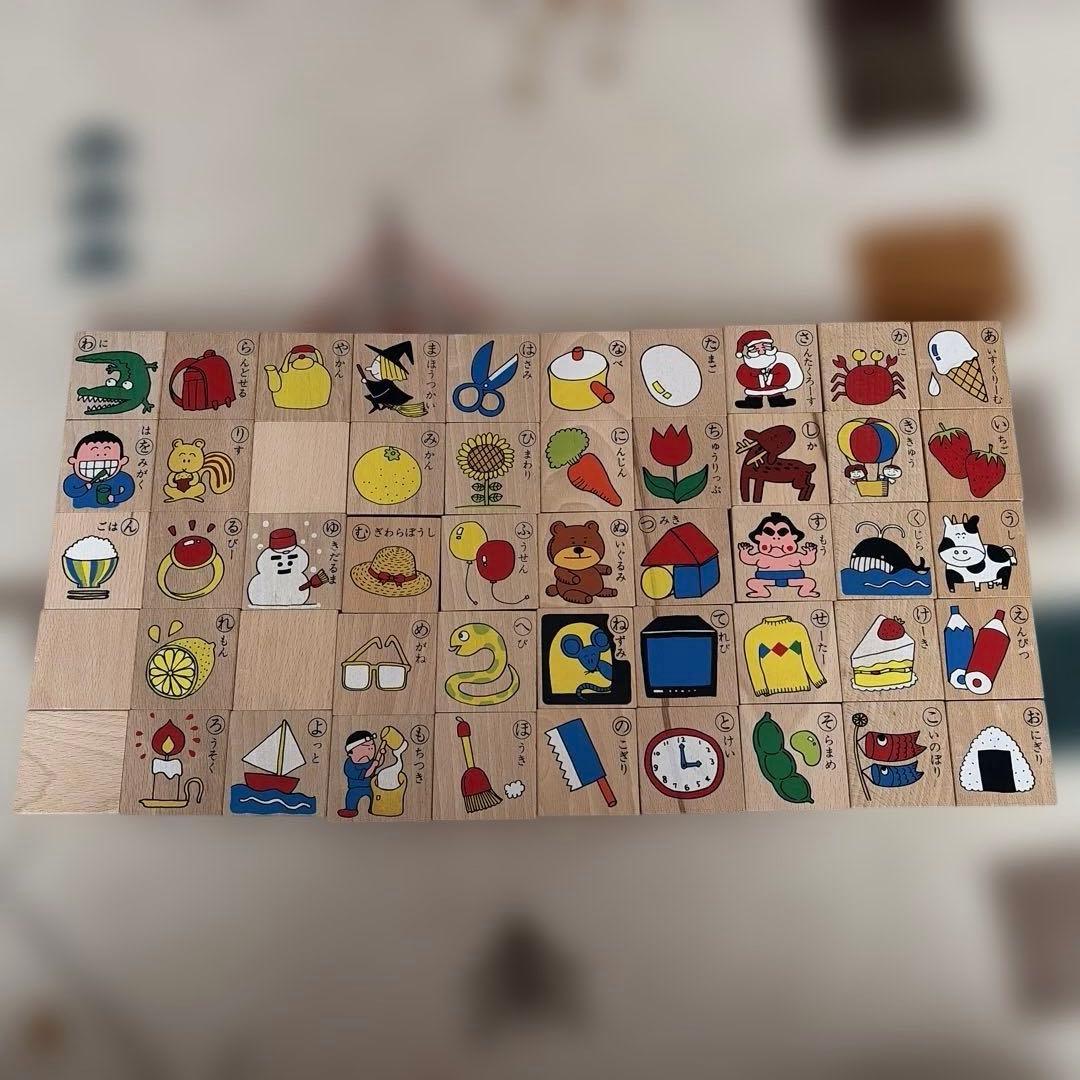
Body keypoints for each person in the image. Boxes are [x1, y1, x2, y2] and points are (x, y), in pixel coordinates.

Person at [733, 329, 804, 409]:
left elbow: (783, 373)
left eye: (764, 347)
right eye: (756, 348)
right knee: (754, 398)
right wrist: (758, 381)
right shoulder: (748, 366)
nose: (761, 351)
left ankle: (777, 401)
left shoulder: (777, 362)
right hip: (754, 389)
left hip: (774, 387)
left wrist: (772, 379)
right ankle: (754, 402)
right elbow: (743, 377)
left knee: (776, 396)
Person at [63, 431, 135, 508]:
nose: (99, 455)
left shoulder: (121, 477)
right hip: (81, 507)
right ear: (73, 461)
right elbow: (70, 491)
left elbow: (128, 490)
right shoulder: (73, 479)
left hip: (112, 508)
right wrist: (85, 488)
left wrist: (115, 498)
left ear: (122, 461)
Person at [337, 730, 381, 818]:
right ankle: (350, 810)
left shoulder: (369, 761)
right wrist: (373, 766)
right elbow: (366, 774)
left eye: (372, 746)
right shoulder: (350, 764)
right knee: (352, 797)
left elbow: (378, 763)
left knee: (374, 797)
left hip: (370, 786)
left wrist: (381, 754)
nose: (370, 749)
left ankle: (373, 808)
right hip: (355, 788)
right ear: (351, 752)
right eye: (365, 747)